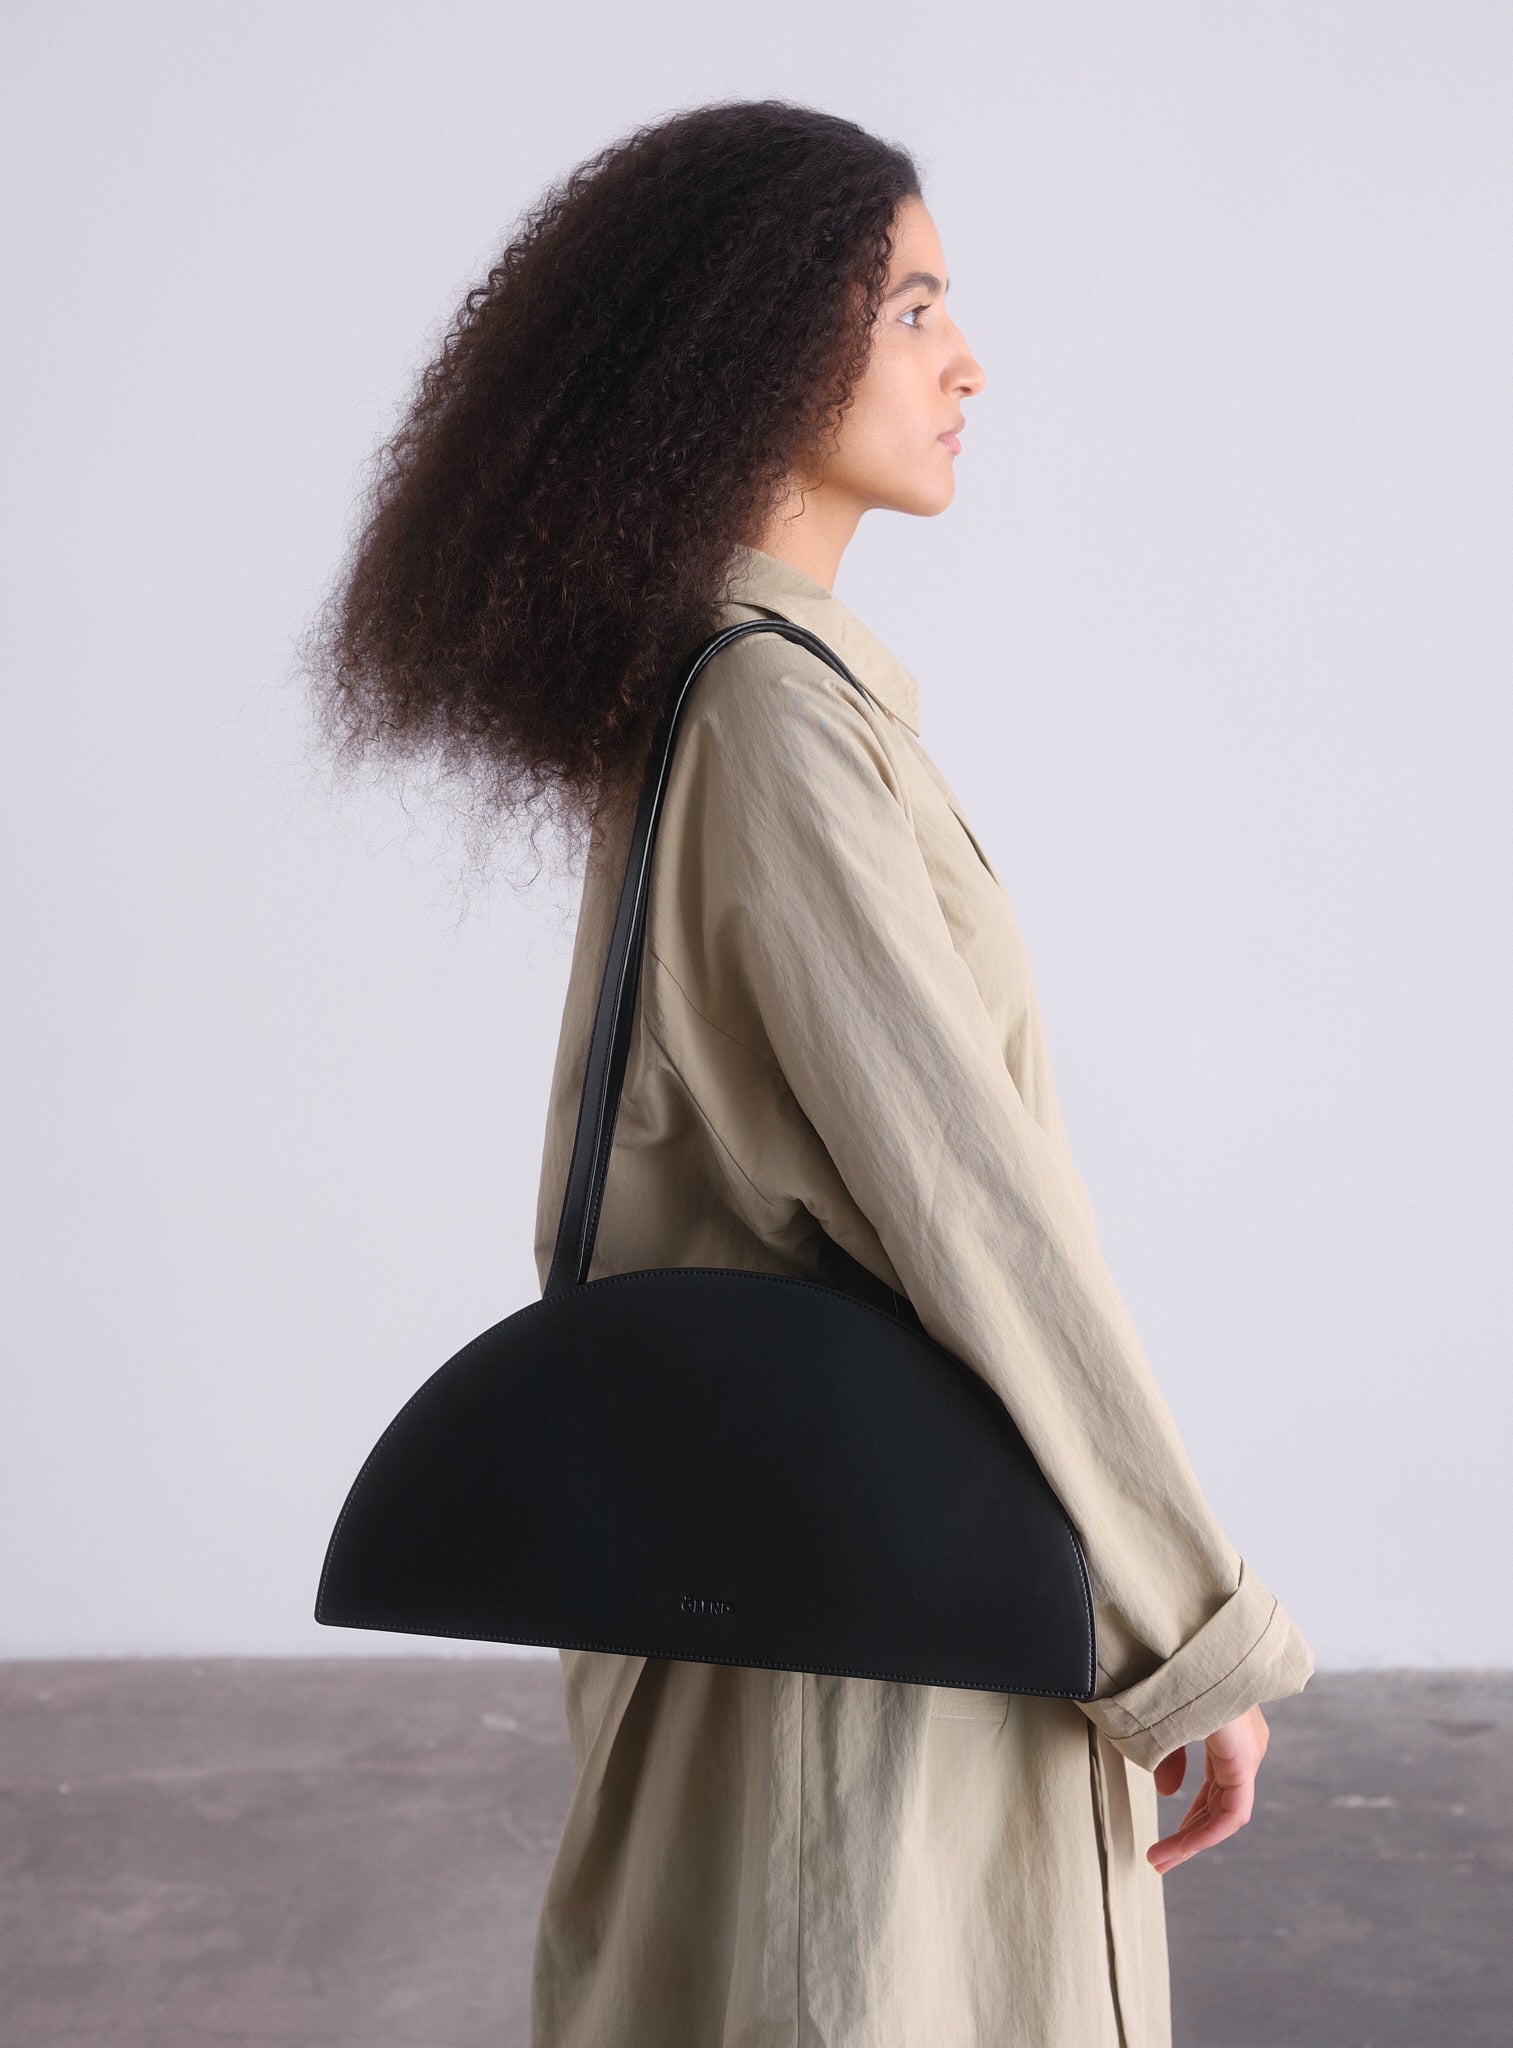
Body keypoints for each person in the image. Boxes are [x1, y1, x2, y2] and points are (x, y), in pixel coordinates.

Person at [301, 96, 1314, 2048]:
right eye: (914, 305)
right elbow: (977, 1213)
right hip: (887, 1643)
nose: (968, 361)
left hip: (814, 1578)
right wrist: (1193, 1624)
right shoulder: (770, 718)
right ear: (754, 344)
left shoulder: (733, 690)